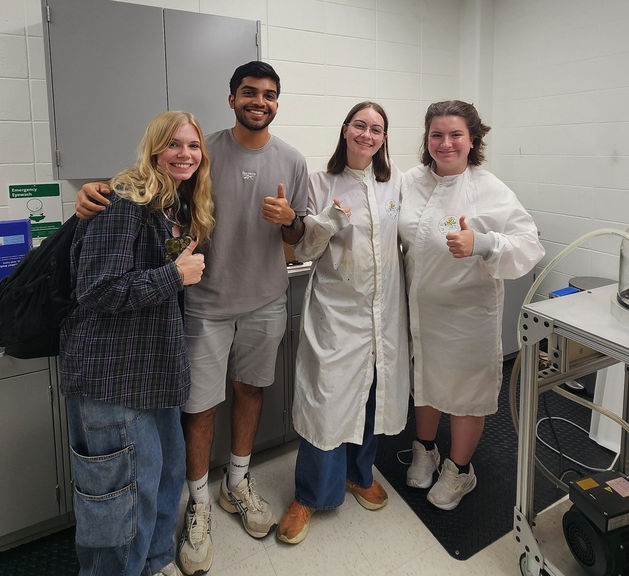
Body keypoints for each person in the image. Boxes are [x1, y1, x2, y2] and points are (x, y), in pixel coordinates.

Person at [75, 61, 309, 575]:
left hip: (267, 300)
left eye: (270, 94)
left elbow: (300, 237)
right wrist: (93, 194)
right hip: (203, 306)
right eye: (250, 92)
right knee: (199, 407)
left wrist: (290, 221)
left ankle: (237, 485)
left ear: (277, 101)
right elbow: (145, 190)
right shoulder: (203, 157)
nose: (260, 101)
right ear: (231, 99)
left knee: (251, 390)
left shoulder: (291, 160)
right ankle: (198, 504)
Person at [60, 110, 214, 576]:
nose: (185, 154)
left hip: (153, 375)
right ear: (153, 149)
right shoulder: (124, 201)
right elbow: (96, 290)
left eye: (192, 145)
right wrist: (174, 275)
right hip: (111, 379)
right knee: (120, 505)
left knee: (162, 480)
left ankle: (156, 561)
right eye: (174, 145)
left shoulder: (174, 206)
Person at [398, 100, 545, 511]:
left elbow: (530, 244)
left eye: (455, 134)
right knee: (425, 383)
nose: (445, 143)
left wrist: (483, 243)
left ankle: (460, 470)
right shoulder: (411, 181)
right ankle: (425, 449)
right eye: (436, 135)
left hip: (467, 317)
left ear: (473, 139)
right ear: (426, 139)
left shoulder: (488, 188)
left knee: (465, 391)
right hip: (421, 312)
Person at [275, 102, 410, 545]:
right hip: (336, 314)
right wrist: (329, 221)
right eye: (360, 126)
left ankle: (359, 473)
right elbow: (304, 251)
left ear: (383, 138)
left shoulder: (394, 186)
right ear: (345, 130)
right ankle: (309, 495)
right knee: (326, 403)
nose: (367, 135)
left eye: (376, 129)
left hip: (382, 314)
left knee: (371, 395)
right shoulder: (320, 182)